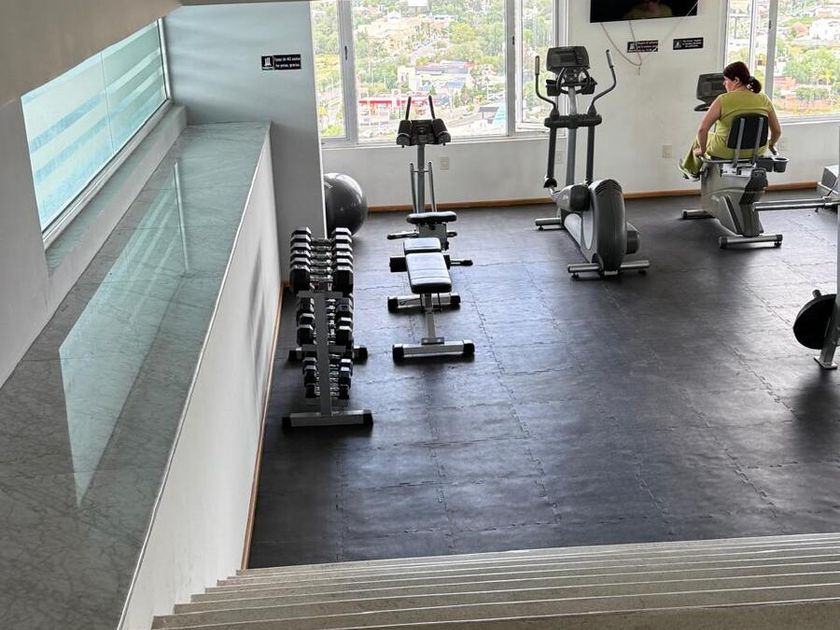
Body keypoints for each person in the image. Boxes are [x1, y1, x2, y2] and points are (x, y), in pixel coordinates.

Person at [679, 61, 782, 180]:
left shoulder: (723, 99)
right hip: (757, 151)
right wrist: (771, 144)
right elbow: (777, 131)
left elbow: (702, 130)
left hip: (725, 151)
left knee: (700, 139)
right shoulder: (764, 99)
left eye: (726, 80)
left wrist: (702, 150)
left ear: (736, 80)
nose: (724, 83)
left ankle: (691, 170)